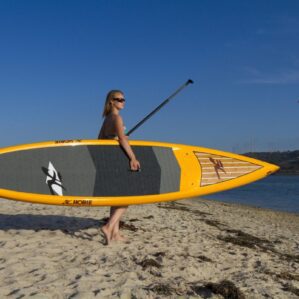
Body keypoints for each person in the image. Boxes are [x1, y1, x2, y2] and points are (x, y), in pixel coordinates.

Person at [98, 90, 140, 245]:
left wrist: (115, 138)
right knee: (126, 198)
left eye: (124, 99)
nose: (123, 101)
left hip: (109, 162)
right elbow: (123, 140)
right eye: (119, 99)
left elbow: (100, 140)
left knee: (116, 198)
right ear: (111, 101)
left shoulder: (106, 119)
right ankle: (109, 227)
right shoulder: (116, 118)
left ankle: (115, 233)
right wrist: (133, 157)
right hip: (118, 161)